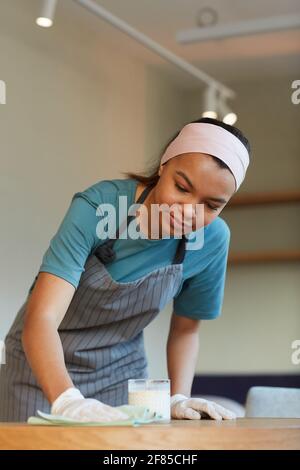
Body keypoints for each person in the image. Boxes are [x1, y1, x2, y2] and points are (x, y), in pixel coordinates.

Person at [0, 117, 250, 422]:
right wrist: (66, 401)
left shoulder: (212, 239)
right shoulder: (98, 206)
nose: (189, 211)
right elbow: (42, 317)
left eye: (211, 205)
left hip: (120, 375)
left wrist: (179, 397)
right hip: (39, 371)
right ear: (163, 165)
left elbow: (186, 330)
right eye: (182, 187)